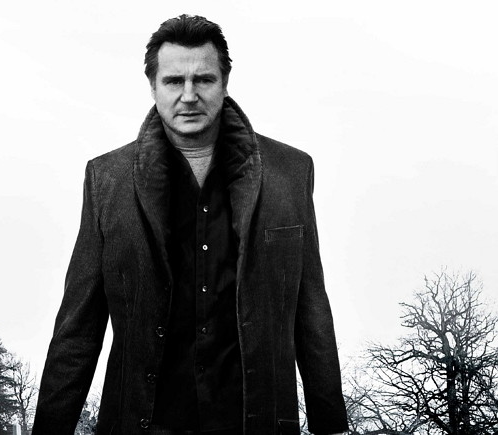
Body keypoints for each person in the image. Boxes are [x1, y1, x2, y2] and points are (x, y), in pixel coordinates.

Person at [33, 14, 348, 435]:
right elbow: (78, 327)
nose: (188, 95)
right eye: (173, 81)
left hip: (254, 423)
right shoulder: (106, 179)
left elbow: (310, 309)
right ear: (153, 86)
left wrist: (332, 425)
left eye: (203, 79)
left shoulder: (289, 172)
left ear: (225, 82)